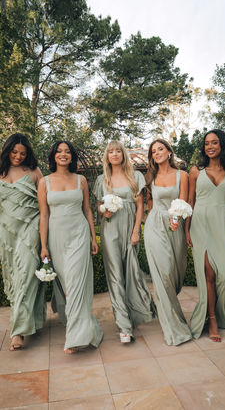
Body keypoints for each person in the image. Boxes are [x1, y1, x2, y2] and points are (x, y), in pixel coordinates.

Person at [37, 141, 103, 354]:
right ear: (53, 156)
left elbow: (88, 210)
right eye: (59, 151)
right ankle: (86, 327)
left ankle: (76, 337)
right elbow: (44, 215)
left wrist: (94, 237)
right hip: (57, 237)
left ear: (72, 156)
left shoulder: (81, 180)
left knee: (76, 283)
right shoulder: (44, 182)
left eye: (67, 152)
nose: (63, 155)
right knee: (67, 287)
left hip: (79, 235)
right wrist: (44, 245)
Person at [93, 140, 156, 343]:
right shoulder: (102, 179)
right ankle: (124, 327)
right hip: (110, 229)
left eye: (118, 151)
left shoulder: (135, 176)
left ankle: (135, 313)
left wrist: (137, 230)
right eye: (110, 151)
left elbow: (140, 206)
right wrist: (105, 211)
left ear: (123, 154)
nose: (114, 154)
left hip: (130, 228)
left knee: (131, 274)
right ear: (107, 156)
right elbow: (99, 207)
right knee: (115, 276)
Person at [185, 129, 225, 342]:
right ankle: (212, 319)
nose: (210, 147)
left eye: (214, 143)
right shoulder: (196, 171)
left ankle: (218, 311)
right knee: (209, 275)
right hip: (200, 224)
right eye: (207, 143)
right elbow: (190, 202)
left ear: (222, 145)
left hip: (222, 223)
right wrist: (186, 229)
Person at [0, 133, 46, 351]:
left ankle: (17, 332)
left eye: (22, 154)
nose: (18, 157)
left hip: (30, 229)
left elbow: (45, 205)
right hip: (6, 233)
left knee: (27, 274)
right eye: (14, 152)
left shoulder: (34, 172)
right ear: (7, 150)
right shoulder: (0, 171)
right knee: (14, 277)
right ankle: (32, 321)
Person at [144, 138, 192, 346]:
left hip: (175, 225)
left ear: (169, 152)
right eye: (154, 151)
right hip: (155, 225)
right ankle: (173, 326)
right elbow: (151, 203)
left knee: (175, 272)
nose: (157, 153)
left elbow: (183, 201)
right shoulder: (151, 177)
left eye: (160, 149)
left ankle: (173, 313)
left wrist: (176, 219)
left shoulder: (182, 175)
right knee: (163, 273)